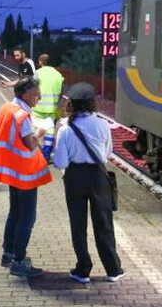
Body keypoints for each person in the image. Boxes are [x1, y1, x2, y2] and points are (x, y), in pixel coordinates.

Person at [54, 82, 125, 284]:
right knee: (104, 224)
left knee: (78, 225)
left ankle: (83, 269)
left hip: (75, 177)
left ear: (71, 105)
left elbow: (60, 162)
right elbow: (108, 153)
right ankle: (113, 269)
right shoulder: (102, 124)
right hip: (98, 177)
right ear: (93, 103)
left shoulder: (65, 128)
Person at [0, 76, 52, 277]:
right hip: (24, 173)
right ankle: (19, 261)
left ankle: (8, 253)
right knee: (27, 217)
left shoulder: (6, 108)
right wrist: (42, 131)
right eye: (36, 94)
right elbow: (30, 144)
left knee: (14, 213)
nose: (39, 97)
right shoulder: (22, 116)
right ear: (25, 95)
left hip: (10, 170)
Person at [32, 54, 65, 162]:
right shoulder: (59, 75)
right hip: (51, 108)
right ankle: (46, 156)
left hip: (37, 107)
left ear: (41, 62)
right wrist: (55, 104)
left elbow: (32, 88)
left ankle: (32, 154)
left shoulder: (38, 73)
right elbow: (61, 93)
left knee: (33, 130)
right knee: (50, 131)